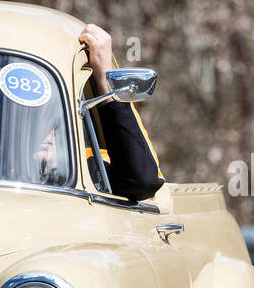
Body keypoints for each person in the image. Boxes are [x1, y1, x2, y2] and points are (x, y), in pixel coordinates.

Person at [33, 23, 165, 201]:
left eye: (50, 113)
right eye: (29, 115)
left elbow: (141, 182)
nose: (43, 129)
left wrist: (104, 77)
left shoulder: (84, 165)